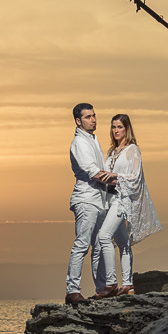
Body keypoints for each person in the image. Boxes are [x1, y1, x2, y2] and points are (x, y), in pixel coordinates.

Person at [91, 114, 162, 299]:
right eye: (113, 127)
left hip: (122, 200)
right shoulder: (111, 152)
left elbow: (136, 177)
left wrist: (114, 176)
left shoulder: (133, 150)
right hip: (110, 200)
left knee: (103, 236)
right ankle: (128, 285)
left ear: (127, 128)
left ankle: (111, 283)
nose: (116, 131)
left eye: (120, 127)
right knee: (123, 243)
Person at [65, 103, 115, 306]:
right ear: (78, 121)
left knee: (100, 246)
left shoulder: (93, 140)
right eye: (88, 117)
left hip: (99, 200)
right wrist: (125, 181)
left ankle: (103, 289)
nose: (93, 119)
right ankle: (72, 290)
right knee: (82, 244)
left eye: (94, 116)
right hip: (86, 200)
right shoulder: (80, 142)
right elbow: (94, 173)